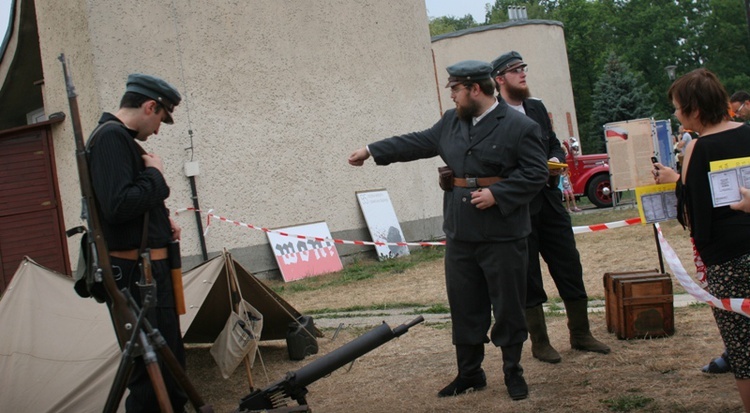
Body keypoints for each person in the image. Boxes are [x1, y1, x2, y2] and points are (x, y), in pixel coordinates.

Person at [348, 60, 548, 401]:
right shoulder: (451, 123)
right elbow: (416, 142)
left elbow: (536, 173)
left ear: (474, 89)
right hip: (460, 231)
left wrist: (498, 193)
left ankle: (513, 371)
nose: (452, 96)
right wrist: (371, 150)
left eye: (455, 89)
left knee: (508, 307)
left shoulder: (519, 126)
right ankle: (470, 373)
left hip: (503, 233)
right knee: (465, 305)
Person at [491, 51, 610, 365]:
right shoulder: (494, 116)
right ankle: (540, 343)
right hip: (519, 209)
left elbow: (553, 142)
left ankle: (581, 334)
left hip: (551, 202)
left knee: (569, 264)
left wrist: (555, 157)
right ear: (499, 79)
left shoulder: (536, 107)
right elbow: (496, 162)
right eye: (515, 70)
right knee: (528, 276)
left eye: (523, 68)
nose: (522, 74)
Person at [652, 68, 750, 410]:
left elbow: (692, 210)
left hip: (726, 257)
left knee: (742, 346)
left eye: (678, 107)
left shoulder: (697, 146)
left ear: (694, 109)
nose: (676, 114)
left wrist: (676, 182)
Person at [88, 73, 187, 412]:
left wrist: (161, 218)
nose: (158, 129)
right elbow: (118, 205)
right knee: (151, 373)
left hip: (149, 269)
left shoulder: (119, 139)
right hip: (138, 274)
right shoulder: (110, 139)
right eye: (161, 117)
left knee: (168, 364)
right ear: (150, 106)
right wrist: (156, 177)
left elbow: (130, 204)